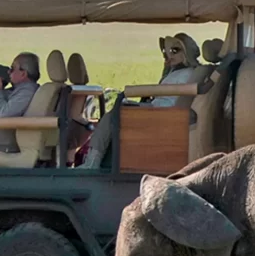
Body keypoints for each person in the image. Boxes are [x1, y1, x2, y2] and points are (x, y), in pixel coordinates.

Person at [79, 33, 201, 168]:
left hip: (162, 114)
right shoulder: (178, 72)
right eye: (166, 52)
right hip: (160, 112)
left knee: (112, 116)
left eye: (174, 51)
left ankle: (92, 162)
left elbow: (168, 96)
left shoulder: (188, 73)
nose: (169, 55)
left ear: (186, 52)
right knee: (115, 114)